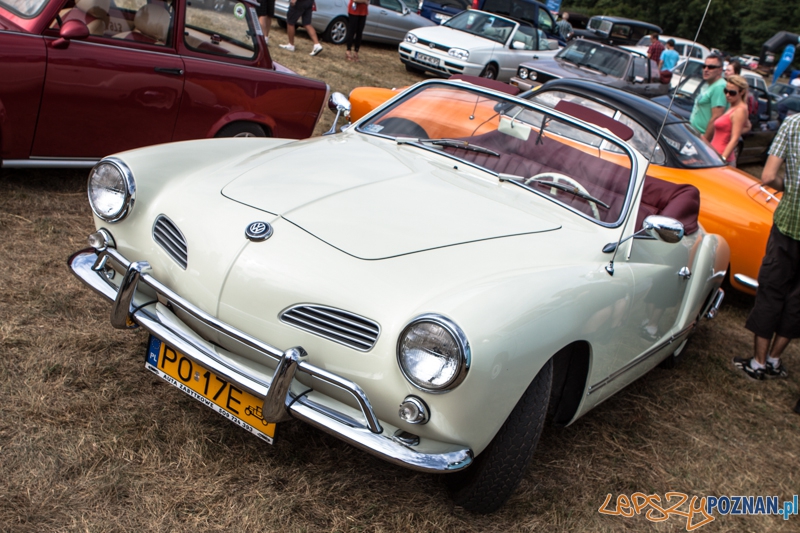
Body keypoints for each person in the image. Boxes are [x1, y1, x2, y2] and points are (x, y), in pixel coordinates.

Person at [733, 113, 800, 381]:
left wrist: (791, 189)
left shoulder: (794, 123)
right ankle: (774, 358)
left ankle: (758, 362)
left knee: (772, 288)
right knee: (797, 298)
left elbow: (769, 176)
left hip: (788, 224)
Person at [710, 75, 749, 166]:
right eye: (726, 91)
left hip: (722, 157)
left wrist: (722, 159)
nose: (727, 95)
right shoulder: (734, 106)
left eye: (732, 93)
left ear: (742, 92)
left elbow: (735, 139)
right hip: (714, 154)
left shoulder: (740, 110)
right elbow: (748, 126)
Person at [690, 53, 728, 140]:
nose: (706, 69)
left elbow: (716, 117)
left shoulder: (720, 87)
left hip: (703, 139)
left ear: (720, 70)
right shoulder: (711, 84)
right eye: (704, 66)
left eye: (710, 67)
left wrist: (705, 141)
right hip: (695, 135)